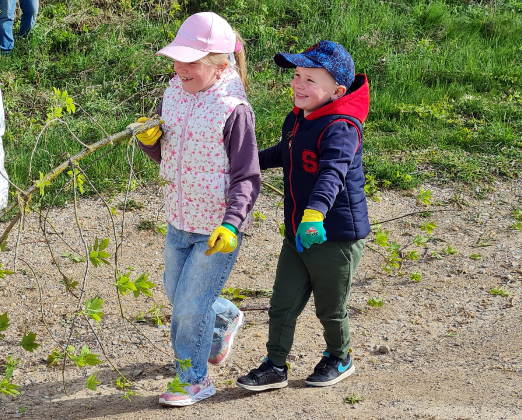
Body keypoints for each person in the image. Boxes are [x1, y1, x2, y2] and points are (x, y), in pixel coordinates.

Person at [130, 12, 260, 407]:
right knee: (177, 293)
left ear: (219, 64)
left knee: (189, 307)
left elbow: (247, 177)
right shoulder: (174, 92)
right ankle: (224, 319)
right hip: (179, 218)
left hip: (215, 229)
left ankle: (194, 380)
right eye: (176, 59)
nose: (179, 68)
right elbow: (173, 157)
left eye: (189, 62)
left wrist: (232, 224)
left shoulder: (233, 109)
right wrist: (151, 142)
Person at [235, 40, 370, 391]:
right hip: (297, 232)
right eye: (297, 75)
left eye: (311, 79)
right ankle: (275, 366)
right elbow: (285, 152)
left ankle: (340, 357)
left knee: (330, 307)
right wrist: (244, 162)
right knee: (282, 303)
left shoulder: (342, 127)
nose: (298, 84)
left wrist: (314, 214)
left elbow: (332, 174)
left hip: (334, 235)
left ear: (337, 90)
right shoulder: (298, 118)